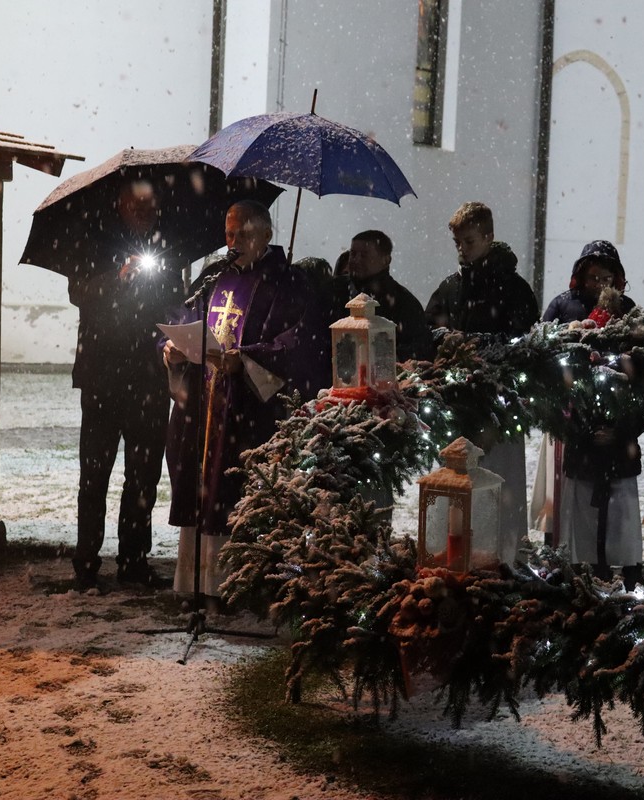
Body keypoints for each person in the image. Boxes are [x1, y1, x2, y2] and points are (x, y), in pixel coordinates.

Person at [162, 200, 330, 603]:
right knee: (202, 486)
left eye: (244, 234)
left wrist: (249, 357)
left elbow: (300, 343)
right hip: (204, 403)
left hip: (250, 411)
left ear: (267, 235)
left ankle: (242, 586)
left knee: (236, 491)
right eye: (229, 233)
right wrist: (171, 348)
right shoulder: (213, 275)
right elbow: (182, 320)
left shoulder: (289, 283)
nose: (234, 242)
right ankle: (198, 583)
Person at [70, 179, 185, 591]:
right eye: (138, 205)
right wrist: (117, 278)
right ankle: (86, 561)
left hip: (148, 379)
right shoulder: (93, 239)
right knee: (94, 472)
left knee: (143, 475)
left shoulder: (166, 249)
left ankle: (133, 560)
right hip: (102, 377)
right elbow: (79, 292)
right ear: (120, 205)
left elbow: (176, 303)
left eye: (150, 206)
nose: (146, 212)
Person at [532, 241, 644, 590]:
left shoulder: (627, 311)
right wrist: (576, 425)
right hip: (577, 429)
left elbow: (640, 375)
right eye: (593, 276)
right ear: (580, 276)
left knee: (621, 511)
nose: (600, 283)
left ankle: (627, 569)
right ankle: (581, 567)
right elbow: (546, 359)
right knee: (579, 506)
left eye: (607, 277)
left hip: (617, 434)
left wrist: (622, 428)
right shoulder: (563, 307)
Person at [426, 202, 539, 559]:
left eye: (469, 241)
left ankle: (503, 556)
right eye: (458, 242)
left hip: (499, 408)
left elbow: (522, 342)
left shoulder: (513, 288)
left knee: (499, 486)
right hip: (459, 406)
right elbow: (427, 328)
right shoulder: (451, 286)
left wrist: (473, 343)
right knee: (460, 490)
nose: (462, 249)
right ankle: (456, 553)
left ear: (489, 237)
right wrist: (443, 338)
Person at [333, 230, 434, 362]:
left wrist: (384, 360)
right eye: (353, 254)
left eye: (364, 255)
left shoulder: (404, 303)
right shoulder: (333, 291)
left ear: (385, 260)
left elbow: (420, 348)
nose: (356, 260)